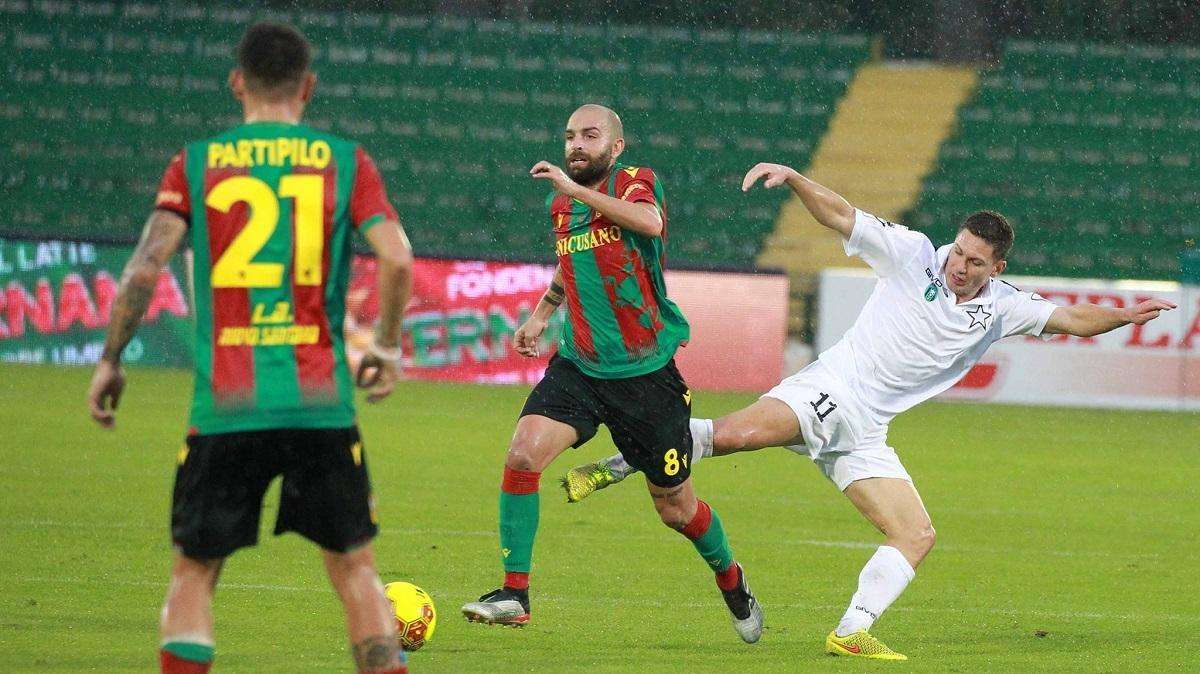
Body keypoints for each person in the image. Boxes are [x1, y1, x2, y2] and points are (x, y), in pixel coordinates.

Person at [561, 162, 1177, 659]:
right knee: (733, 437)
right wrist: (797, 180)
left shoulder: (1005, 305)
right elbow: (843, 216)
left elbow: (1069, 318)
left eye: (975, 263)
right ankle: (627, 460)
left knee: (916, 534)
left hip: (866, 432)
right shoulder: (912, 255)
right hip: (832, 392)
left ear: (998, 268)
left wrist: (1122, 315)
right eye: (959, 252)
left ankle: (851, 631)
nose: (959, 267)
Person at [85, 22, 415, 674]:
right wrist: (387, 346)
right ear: (309, 87)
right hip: (320, 405)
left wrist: (111, 359)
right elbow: (398, 261)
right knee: (355, 571)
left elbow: (145, 269)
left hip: (226, 406)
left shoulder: (197, 163)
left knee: (194, 573)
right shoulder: (347, 162)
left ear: (237, 81)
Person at [460, 104, 763, 643]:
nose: (576, 144)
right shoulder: (564, 206)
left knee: (676, 509)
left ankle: (732, 580)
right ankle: (514, 593)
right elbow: (570, 262)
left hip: (646, 377)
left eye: (590, 135)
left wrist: (575, 192)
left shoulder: (635, 181)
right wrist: (541, 313)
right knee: (522, 456)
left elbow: (649, 223)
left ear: (616, 146)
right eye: (569, 136)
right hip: (579, 367)